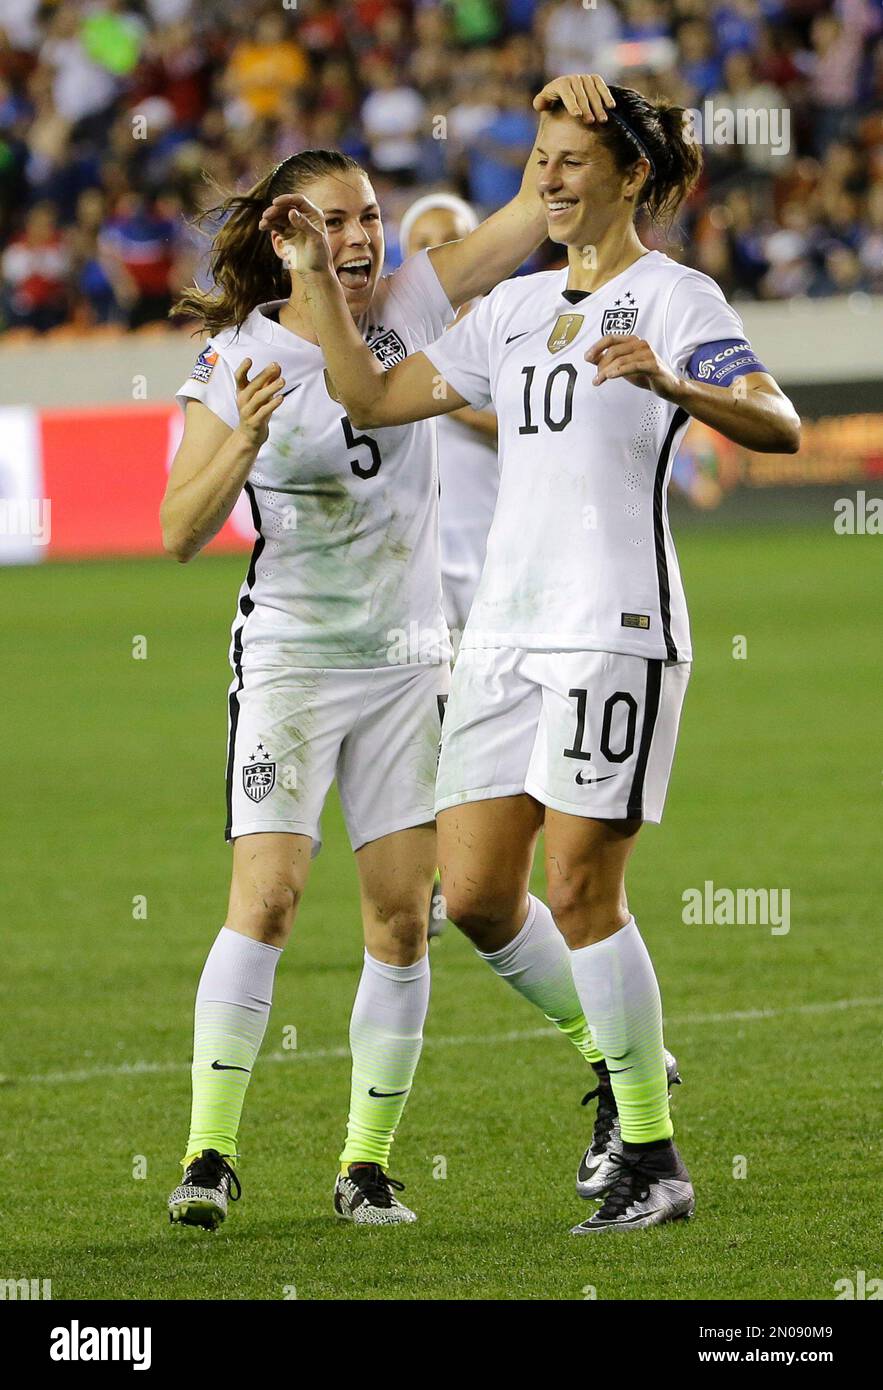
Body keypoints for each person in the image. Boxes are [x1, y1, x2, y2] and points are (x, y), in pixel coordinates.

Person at [272, 79, 801, 1233]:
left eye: (571, 161)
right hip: (503, 637)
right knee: (474, 894)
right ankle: (632, 1073)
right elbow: (367, 392)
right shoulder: (510, 311)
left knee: (580, 885)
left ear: (628, 178)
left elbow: (779, 419)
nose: (550, 178)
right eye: (542, 159)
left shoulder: (675, 295)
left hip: (611, 626)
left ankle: (651, 1155)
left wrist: (674, 381)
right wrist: (314, 277)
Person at [159, 74, 617, 1232]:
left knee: (403, 919)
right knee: (265, 899)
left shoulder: (411, 300)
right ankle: (210, 1153)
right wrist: (245, 440)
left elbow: (524, 215)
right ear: (287, 237)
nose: (363, 235)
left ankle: (365, 1165)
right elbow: (176, 528)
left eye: (369, 215)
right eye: (337, 220)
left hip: (411, 665)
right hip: (294, 665)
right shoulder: (237, 358)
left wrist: (562, 118)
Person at [398, 191, 498, 637]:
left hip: (494, 545)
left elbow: (532, 430)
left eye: (452, 239)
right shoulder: (381, 338)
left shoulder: (503, 327)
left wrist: (442, 401)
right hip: (414, 555)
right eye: (423, 242)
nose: (437, 251)